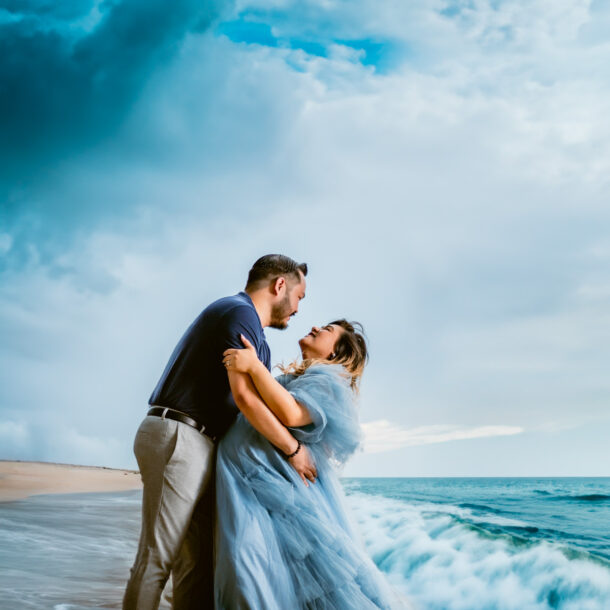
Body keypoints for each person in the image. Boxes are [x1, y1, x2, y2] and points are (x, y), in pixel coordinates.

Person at [123, 254, 316, 610]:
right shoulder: (238, 313)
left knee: (195, 565)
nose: (299, 310)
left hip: (195, 442)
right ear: (279, 286)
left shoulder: (254, 332)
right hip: (180, 435)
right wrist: (292, 450)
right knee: (158, 558)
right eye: (300, 297)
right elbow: (246, 399)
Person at [217, 320, 399, 609]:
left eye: (326, 330)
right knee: (259, 574)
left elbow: (290, 412)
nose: (315, 327)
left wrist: (253, 367)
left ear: (335, 354)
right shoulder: (301, 379)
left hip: (274, 489)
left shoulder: (328, 381)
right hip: (256, 481)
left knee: (258, 572)